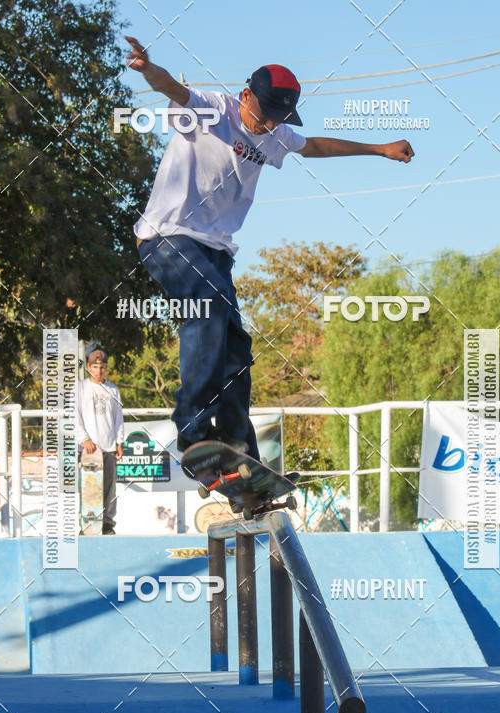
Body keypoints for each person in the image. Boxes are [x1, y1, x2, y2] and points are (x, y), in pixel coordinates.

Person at [126, 36, 414, 460]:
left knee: (236, 345)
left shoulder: (277, 132)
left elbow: (314, 145)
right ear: (246, 95)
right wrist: (149, 70)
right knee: (208, 302)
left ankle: (237, 445)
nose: (268, 128)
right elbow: (173, 89)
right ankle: (192, 429)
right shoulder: (213, 109)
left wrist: (378, 149)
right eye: (264, 117)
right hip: (167, 237)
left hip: (215, 252)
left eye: (278, 120)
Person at [77, 349, 124, 535]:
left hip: (108, 445)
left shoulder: (113, 390)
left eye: (102, 367)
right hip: (89, 449)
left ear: (106, 368)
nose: (99, 370)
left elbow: (118, 417)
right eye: (95, 367)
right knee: (89, 488)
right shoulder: (80, 388)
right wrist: (84, 439)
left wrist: (119, 442)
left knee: (109, 488)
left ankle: (107, 524)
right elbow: (74, 416)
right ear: (89, 367)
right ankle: (87, 524)